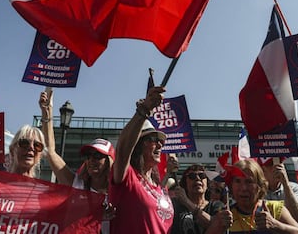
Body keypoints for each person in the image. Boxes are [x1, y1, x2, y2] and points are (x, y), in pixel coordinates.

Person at [39, 89, 115, 233]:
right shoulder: (77, 184)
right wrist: (46, 113)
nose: (92, 160)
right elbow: (49, 151)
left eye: (98, 156)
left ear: (110, 162)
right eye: (88, 156)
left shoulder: (118, 193)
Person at [109, 86, 174, 234]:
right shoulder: (128, 178)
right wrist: (144, 110)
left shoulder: (160, 188)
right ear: (137, 145)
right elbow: (123, 151)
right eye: (153, 139)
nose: (159, 144)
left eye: (161, 141)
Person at [206, 159, 298, 234]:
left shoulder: (274, 209)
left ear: (259, 185)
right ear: (231, 185)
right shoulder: (224, 215)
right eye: (237, 181)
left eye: (249, 181)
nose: (243, 188)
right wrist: (218, 226)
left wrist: (276, 225)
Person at [171, 164, 224, 234]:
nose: (198, 178)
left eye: (202, 176)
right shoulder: (175, 205)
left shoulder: (216, 205)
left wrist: (187, 202)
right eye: (192, 176)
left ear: (207, 183)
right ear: (185, 183)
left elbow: (216, 226)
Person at [258, 157, 298, 226]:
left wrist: (286, 184)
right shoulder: (256, 191)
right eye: (271, 165)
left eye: (279, 163)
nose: (277, 168)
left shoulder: (294, 188)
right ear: (262, 171)